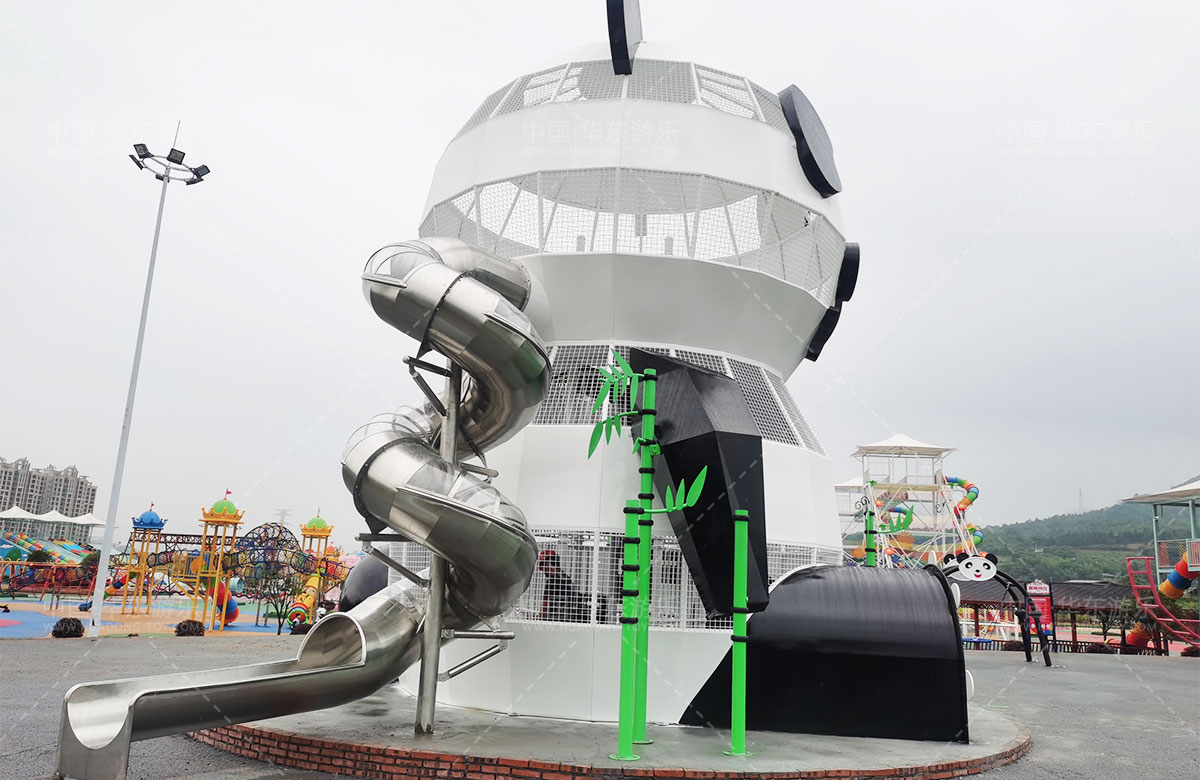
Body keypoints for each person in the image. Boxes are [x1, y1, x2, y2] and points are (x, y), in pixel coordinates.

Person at [537, 550, 594, 623]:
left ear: (548, 565)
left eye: (543, 568)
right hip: (566, 619)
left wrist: (539, 621)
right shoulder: (566, 578)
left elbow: (545, 605)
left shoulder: (551, 581)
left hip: (555, 621)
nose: (544, 572)